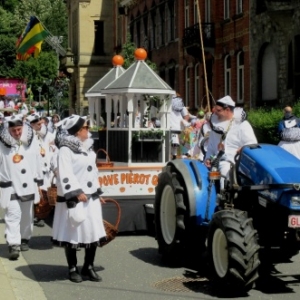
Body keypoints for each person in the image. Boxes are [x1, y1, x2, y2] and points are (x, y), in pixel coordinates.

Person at [52, 115, 106, 283]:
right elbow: (65, 173)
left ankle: (88, 266)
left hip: (90, 197)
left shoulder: (87, 148)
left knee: (92, 232)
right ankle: (72, 268)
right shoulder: (65, 150)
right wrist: (76, 192)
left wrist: (98, 192)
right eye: (86, 128)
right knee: (73, 233)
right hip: (76, 198)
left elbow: (93, 171)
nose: (88, 130)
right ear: (77, 131)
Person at [0, 114, 43, 260]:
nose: (17, 133)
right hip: (10, 185)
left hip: (28, 184)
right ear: (8, 130)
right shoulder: (2, 143)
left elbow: (38, 160)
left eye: (19, 130)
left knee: (27, 215)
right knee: (13, 215)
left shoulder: (32, 141)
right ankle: (13, 244)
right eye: (13, 131)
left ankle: (24, 238)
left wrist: (39, 181)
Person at [204, 96, 257, 187]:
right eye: (215, 110)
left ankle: (225, 198)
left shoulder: (242, 125)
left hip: (238, 163)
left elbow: (252, 144)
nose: (215, 113)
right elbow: (210, 148)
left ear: (227, 110)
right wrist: (208, 158)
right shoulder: (215, 125)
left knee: (225, 171)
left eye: (218, 110)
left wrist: (243, 149)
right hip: (218, 161)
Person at [26, 113, 56, 227]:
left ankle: (42, 214)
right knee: (37, 193)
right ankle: (36, 215)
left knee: (45, 193)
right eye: (38, 124)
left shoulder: (43, 134)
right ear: (32, 125)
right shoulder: (29, 137)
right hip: (35, 170)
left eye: (41, 123)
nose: (41, 125)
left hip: (46, 169)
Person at [170, 93, 190, 159]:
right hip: (178, 127)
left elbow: (186, 116)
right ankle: (177, 155)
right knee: (177, 143)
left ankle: (175, 155)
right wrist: (184, 123)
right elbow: (186, 116)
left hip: (172, 127)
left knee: (175, 143)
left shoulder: (168, 105)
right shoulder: (181, 106)